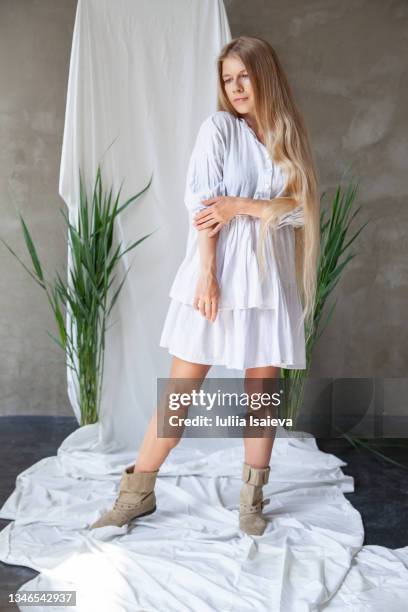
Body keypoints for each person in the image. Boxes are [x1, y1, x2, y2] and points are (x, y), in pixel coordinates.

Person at [90, 36, 320, 536]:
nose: (236, 87)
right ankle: (137, 493)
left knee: (262, 394)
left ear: (265, 77)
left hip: (268, 281)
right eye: (228, 78)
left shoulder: (287, 136)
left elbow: (302, 210)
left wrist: (241, 206)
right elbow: (203, 208)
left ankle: (251, 499)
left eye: (244, 76)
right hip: (214, 277)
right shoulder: (219, 128)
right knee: (178, 395)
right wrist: (207, 274)